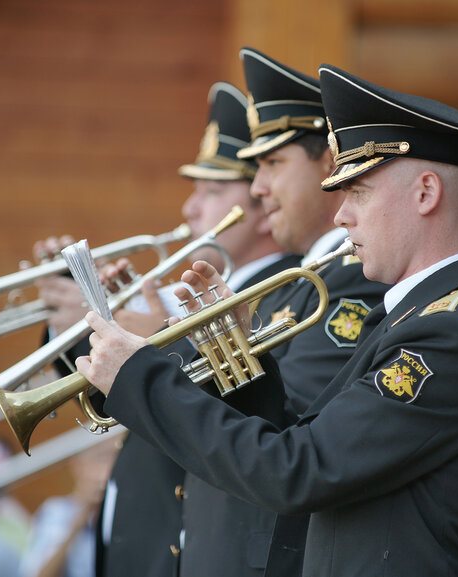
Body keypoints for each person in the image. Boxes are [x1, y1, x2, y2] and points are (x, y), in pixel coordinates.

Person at [75, 63, 458, 576]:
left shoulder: (449, 331)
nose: (340, 215)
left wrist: (140, 377)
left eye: (358, 192)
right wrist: (241, 360)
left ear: (425, 193)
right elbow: (311, 443)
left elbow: (300, 470)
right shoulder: (418, 316)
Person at [33, 81, 295, 577]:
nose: (190, 208)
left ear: (261, 205)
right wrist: (77, 321)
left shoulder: (280, 295)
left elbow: (262, 419)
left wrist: (157, 339)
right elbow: (113, 396)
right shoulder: (204, 293)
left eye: (213, 191)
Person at [174, 48, 388, 577]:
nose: (257, 187)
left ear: (330, 163)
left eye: (272, 164)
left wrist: (141, 373)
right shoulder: (290, 288)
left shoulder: (349, 283)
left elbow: (283, 423)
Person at [18, 435, 121, 577]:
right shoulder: (56, 511)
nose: (110, 467)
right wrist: (80, 519)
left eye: (116, 457)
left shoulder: (122, 504)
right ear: (78, 465)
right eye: (102, 458)